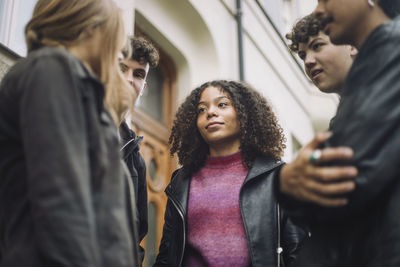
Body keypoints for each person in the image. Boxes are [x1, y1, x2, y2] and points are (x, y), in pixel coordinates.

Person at [0, 0, 139, 266]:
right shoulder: (52, 68)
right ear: (90, 28)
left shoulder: (76, 88)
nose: (119, 54)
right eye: (115, 39)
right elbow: (61, 199)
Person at [282, 0, 400, 266]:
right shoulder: (343, 115)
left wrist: (288, 182)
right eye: (302, 55)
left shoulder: (390, 56)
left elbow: (341, 184)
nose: (309, 61)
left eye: (318, 46)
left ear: (353, 47)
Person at [154, 80, 306, 267]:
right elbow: (167, 255)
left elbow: (298, 252)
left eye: (222, 104)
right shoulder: (181, 181)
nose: (210, 112)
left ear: (245, 114)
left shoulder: (276, 176)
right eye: (201, 110)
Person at [119, 36, 159, 262]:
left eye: (138, 74)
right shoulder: (75, 122)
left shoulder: (136, 159)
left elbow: (137, 235)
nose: (128, 79)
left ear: (143, 88)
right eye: (122, 68)